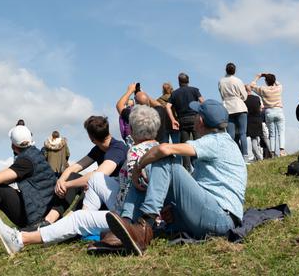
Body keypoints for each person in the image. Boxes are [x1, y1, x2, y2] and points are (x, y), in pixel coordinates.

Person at [0, 105, 161, 256]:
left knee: (78, 217)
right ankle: (80, 229)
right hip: (126, 203)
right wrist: (64, 178)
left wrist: (66, 184)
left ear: (131, 130)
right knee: (95, 179)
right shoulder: (156, 149)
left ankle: (21, 239)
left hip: (130, 217)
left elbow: (103, 171)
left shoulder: (124, 151)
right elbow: (81, 168)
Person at [105, 100, 247, 255]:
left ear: (200, 120)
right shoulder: (223, 142)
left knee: (165, 160)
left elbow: (164, 149)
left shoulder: (216, 141)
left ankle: (144, 224)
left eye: (196, 114)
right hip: (212, 215)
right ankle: (127, 226)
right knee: (149, 173)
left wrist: (138, 167)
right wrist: (173, 208)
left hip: (220, 219)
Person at [43, 116, 129, 223]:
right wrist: (61, 181)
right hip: (101, 194)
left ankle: (70, 222)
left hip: (116, 199)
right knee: (74, 177)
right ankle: (49, 220)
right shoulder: (98, 148)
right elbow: (74, 167)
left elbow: (97, 176)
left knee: (89, 184)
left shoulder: (117, 149)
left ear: (91, 138)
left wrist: (66, 184)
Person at [170, 73, 204, 169]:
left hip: (182, 120)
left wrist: (173, 119)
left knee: (185, 145)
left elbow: (168, 107)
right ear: (188, 81)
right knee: (199, 143)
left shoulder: (175, 93)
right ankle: (200, 166)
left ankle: (187, 168)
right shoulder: (195, 90)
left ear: (179, 81)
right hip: (195, 119)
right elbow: (202, 102)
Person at [248, 73, 285, 156]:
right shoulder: (279, 88)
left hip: (269, 112)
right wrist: (269, 76)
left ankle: (272, 152)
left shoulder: (263, 90)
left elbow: (251, 86)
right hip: (279, 110)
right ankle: (282, 151)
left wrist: (257, 77)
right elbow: (278, 83)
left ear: (266, 81)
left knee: (272, 134)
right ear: (274, 81)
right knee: (281, 132)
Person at [219, 62, 249, 159]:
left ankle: (233, 156)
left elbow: (222, 96)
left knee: (230, 135)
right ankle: (245, 156)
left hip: (227, 107)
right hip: (239, 106)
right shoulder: (238, 80)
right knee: (242, 133)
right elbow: (245, 96)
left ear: (225, 70)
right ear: (235, 71)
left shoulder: (221, 81)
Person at [245, 90, 269, 161]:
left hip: (250, 121)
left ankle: (259, 157)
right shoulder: (256, 98)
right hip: (259, 120)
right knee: (265, 138)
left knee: (254, 140)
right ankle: (273, 153)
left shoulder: (244, 100)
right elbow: (260, 108)